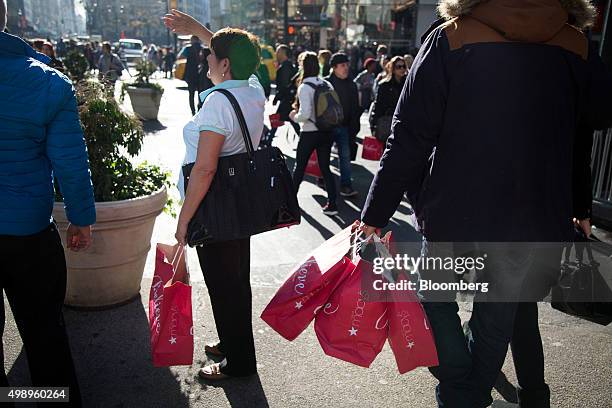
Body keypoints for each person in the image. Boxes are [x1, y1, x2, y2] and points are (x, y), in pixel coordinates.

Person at [359, 0, 612, 407]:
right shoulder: (576, 45)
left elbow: (409, 136)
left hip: (457, 212)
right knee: (496, 321)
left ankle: (461, 390)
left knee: (433, 298)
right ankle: (467, 391)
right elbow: (588, 126)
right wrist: (580, 204)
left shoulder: (453, 36)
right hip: (533, 217)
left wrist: (375, 213)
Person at [0, 1, 96, 405]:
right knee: (44, 335)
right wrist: (81, 218)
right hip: (26, 232)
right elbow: (70, 161)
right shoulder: (48, 82)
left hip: (25, 228)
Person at [164, 9, 266, 380]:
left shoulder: (218, 102)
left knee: (225, 288)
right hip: (241, 201)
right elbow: (242, 59)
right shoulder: (253, 90)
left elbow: (205, 169)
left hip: (215, 205)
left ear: (223, 65)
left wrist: (184, 220)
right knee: (236, 281)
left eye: (210, 54)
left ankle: (238, 363)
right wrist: (201, 32)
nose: (204, 58)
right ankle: (233, 343)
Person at [289, 52, 338, 215]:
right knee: (325, 167)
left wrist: (294, 117)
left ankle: (290, 202)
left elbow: (305, 113)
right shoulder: (326, 84)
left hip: (310, 132)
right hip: (327, 130)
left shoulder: (304, 87)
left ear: (303, 66)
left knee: (300, 167)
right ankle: (332, 204)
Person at [325, 52, 361, 197]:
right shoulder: (326, 83)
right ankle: (323, 178)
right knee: (324, 156)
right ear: (334, 67)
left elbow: (355, 108)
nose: (346, 68)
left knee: (345, 157)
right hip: (327, 127)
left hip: (345, 126)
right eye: (342, 65)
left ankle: (346, 185)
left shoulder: (351, 84)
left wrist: (354, 127)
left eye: (347, 65)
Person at [369, 56, 407, 139]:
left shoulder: (408, 85)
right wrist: (374, 125)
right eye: (398, 67)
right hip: (387, 123)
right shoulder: (384, 85)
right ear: (393, 68)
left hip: (404, 124)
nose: (402, 69)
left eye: (404, 66)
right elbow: (378, 105)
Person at [270, 44, 300, 139]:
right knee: (281, 119)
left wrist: (277, 96)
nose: (276, 54)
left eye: (278, 52)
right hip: (288, 99)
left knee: (280, 119)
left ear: (283, 53)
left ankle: (269, 139)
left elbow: (285, 85)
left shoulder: (286, 67)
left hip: (287, 100)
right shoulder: (286, 65)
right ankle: (269, 139)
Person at [179, 35, 204, 115]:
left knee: (191, 94)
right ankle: (200, 109)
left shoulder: (188, 48)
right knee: (201, 93)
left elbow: (180, 57)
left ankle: (193, 112)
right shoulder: (203, 48)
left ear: (192, 40)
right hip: (201, 73)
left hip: (190, 73)